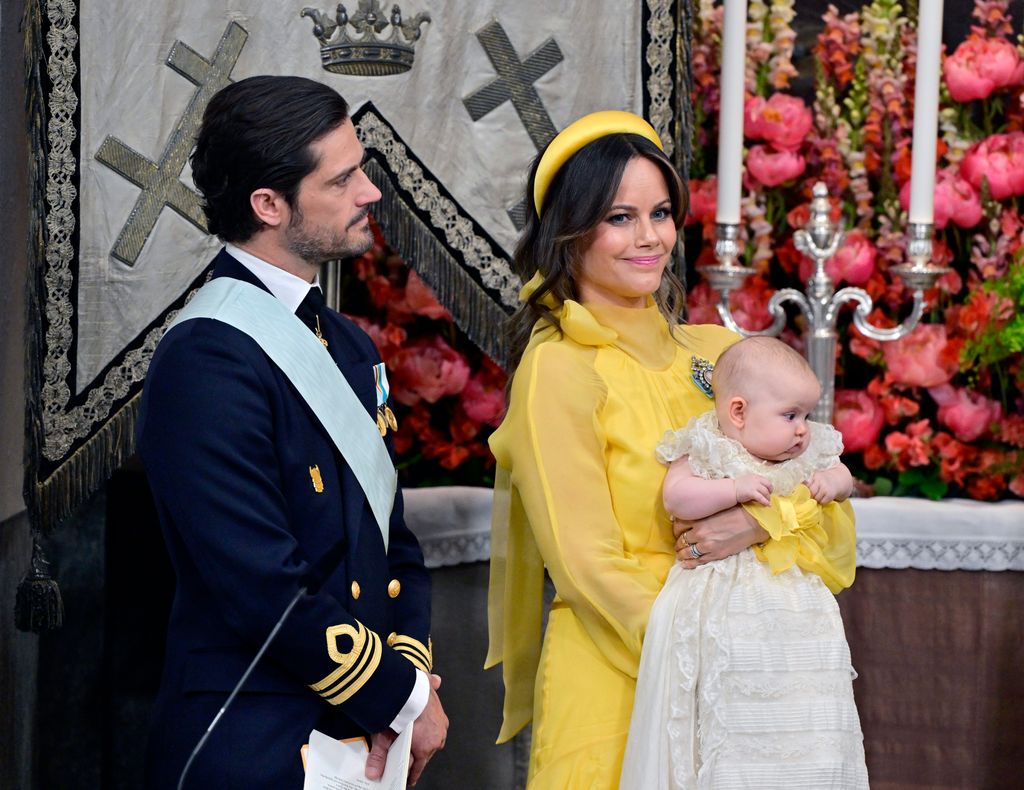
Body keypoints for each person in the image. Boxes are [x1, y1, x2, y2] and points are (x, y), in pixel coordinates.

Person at [137, 75, 447, 789]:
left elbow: (393, 544)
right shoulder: (206, 356)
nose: (369, 192)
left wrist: (411, 683)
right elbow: (259, 586)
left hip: (364, 736)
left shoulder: (348, 345)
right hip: (252, 741)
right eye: (341, 181)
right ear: (269, 204)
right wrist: (401, 698)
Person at [485, 110, 774, 788]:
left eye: (661, 213)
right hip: (623, 679)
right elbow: (589, 567)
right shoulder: (559, 369)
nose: (650, 238)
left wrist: (766, 520)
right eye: (619, 217)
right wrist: (710, 657)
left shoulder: (720, 353)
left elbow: (821, 496)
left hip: (740, 676)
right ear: (569, 230)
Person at [620, 335, 868, 789]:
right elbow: (677, 496)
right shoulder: (711, 448)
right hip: (723, 597)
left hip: (794, 604)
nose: (802, 429)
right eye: (790, 415)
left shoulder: (805, 452)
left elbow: (843, 473)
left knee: (802, 695)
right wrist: (732, 490)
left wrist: (835, 483)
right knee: (731, 701)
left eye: (806, 416)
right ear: (738, 412)